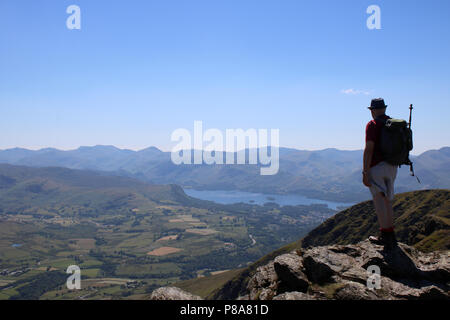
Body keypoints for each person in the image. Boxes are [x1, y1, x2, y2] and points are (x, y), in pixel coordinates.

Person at [363, 98, 398, 249]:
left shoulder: (373, 125)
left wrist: (365, 171)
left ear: (373, 110)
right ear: (384, 108)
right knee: (387, 200)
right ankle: (390, 234)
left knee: (379, 200)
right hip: (393, 166)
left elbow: (369, 148)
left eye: (371, 110)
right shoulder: (393, 124)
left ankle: (385, 235)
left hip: (377, 167)